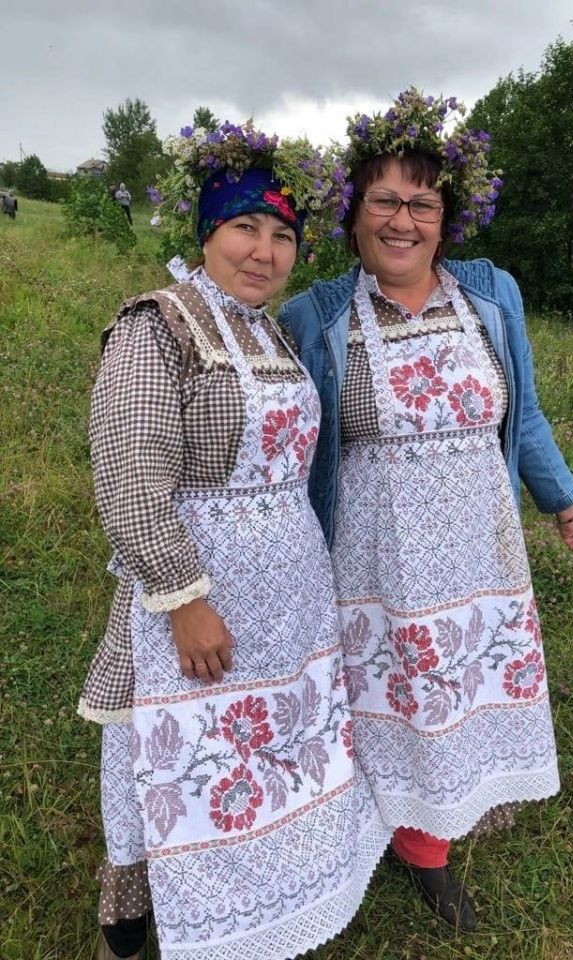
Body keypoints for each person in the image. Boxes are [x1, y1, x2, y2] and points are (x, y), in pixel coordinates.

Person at [280, 89, 573, 932]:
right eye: (383, 198)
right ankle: (348, 849)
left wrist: (567, 502)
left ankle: (428, 852)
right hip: (373, 559)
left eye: (422, 201)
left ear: (445, 217)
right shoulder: (314, 317)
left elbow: (521, 414)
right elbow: (278, 437)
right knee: (375, 703)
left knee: (451, 699)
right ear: (353, 213)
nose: (402, 219)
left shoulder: (490, 296)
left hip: (478, 553)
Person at [79, 122, 390, 960]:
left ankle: (261, 904)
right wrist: (184, 600)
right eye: (244, 226)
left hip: (291, 594)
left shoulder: (274, 332)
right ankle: (139, 926)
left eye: (283, 234)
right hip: (204, 600)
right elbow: (128, 476)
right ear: (206, 233)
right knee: (174, 761)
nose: (264, 250)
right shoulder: (160, 326)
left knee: (265, 751)